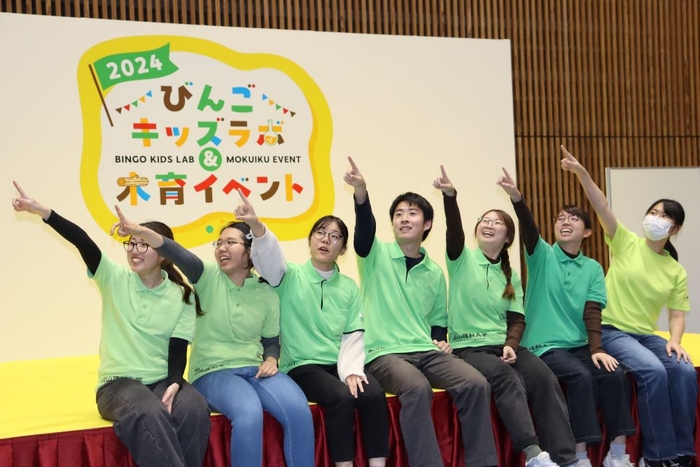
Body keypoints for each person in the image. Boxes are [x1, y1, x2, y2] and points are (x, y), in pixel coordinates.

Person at [11, 181, 211, 467]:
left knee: (194, 407)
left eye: (144, 244)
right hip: (117, 384)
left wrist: (176, 383)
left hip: (160, 380)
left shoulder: (182, 295)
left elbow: (178, 349)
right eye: (132, 243)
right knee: (149, 412)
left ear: (163, 254)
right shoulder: (113, 278)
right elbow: (82, 241)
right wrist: (44, 212)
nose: (134, 250)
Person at [112, 204, 315, 467]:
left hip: (254, 368)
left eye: (230, 242)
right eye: (219, 243)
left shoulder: (266, 292)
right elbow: (174, 251)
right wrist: (140, 232)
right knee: (249, 412)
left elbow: (270, 341)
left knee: (299, 409)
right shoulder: (206, 275)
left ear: (250, 252)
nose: (222, 248)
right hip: (212, 371)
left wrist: (271, 359)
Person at [343, 157, 498, 467]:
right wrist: (361, 191)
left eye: (412, 213)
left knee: (476, 383)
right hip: (384, 353)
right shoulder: (375, 255)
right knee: (416, 387)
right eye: (398, 214)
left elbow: (437, 323)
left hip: (426, 350)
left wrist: (440, 339)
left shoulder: (435, 272)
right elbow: (364, 227)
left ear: (426, 224)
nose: (404, 218)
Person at [560, 145, 697, 467]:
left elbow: (677, 314)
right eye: (654, 212)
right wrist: (582, 173)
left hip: (645, 335)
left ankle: (683, 452)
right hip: (611, 330)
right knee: (653, 371)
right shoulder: (626, 243)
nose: (656, 218)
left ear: (675, 229)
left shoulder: (675, 269)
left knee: (684, 371)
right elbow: (602, 205)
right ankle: (658, 456)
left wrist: (675, 340)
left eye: (665, 216)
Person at [235, 191, 390, 467]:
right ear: (310, 240)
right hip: (302, 365)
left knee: (373, 393)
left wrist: (351, 371)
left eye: (335, 236)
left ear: (343, 249)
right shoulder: (289, 276)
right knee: (340, 396)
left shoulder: (348, 287)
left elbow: (353, 335)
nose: (326, 240)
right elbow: (269, 257)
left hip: (338, 364)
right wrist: (256, 226)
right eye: (320, 233)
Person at [434, 166, 576, 467]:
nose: (489, 225)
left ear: (508, 236)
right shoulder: (461, 259)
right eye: (484, 221)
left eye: (497, 222)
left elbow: (517, 319)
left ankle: (565, 459)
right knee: (506, 378)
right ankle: (534, 455)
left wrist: (511, 344)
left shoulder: (510, 274)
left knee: (545, 378)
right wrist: (450, 196)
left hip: (504, 345)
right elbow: (454, 229)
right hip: (469, 348)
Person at [497, 167, 636, 467]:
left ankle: (618, 454)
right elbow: (529, 228)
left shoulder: (593, 267)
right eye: (560, 218)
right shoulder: (542, 255)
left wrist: (597, 349)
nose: (565, 221)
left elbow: (592, 311)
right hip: (544, 346)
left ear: (587, 232)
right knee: (581, 377)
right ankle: (580, 455)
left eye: (573, 218)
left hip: (578, 344)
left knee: (615, 374)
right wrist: (517, 199)